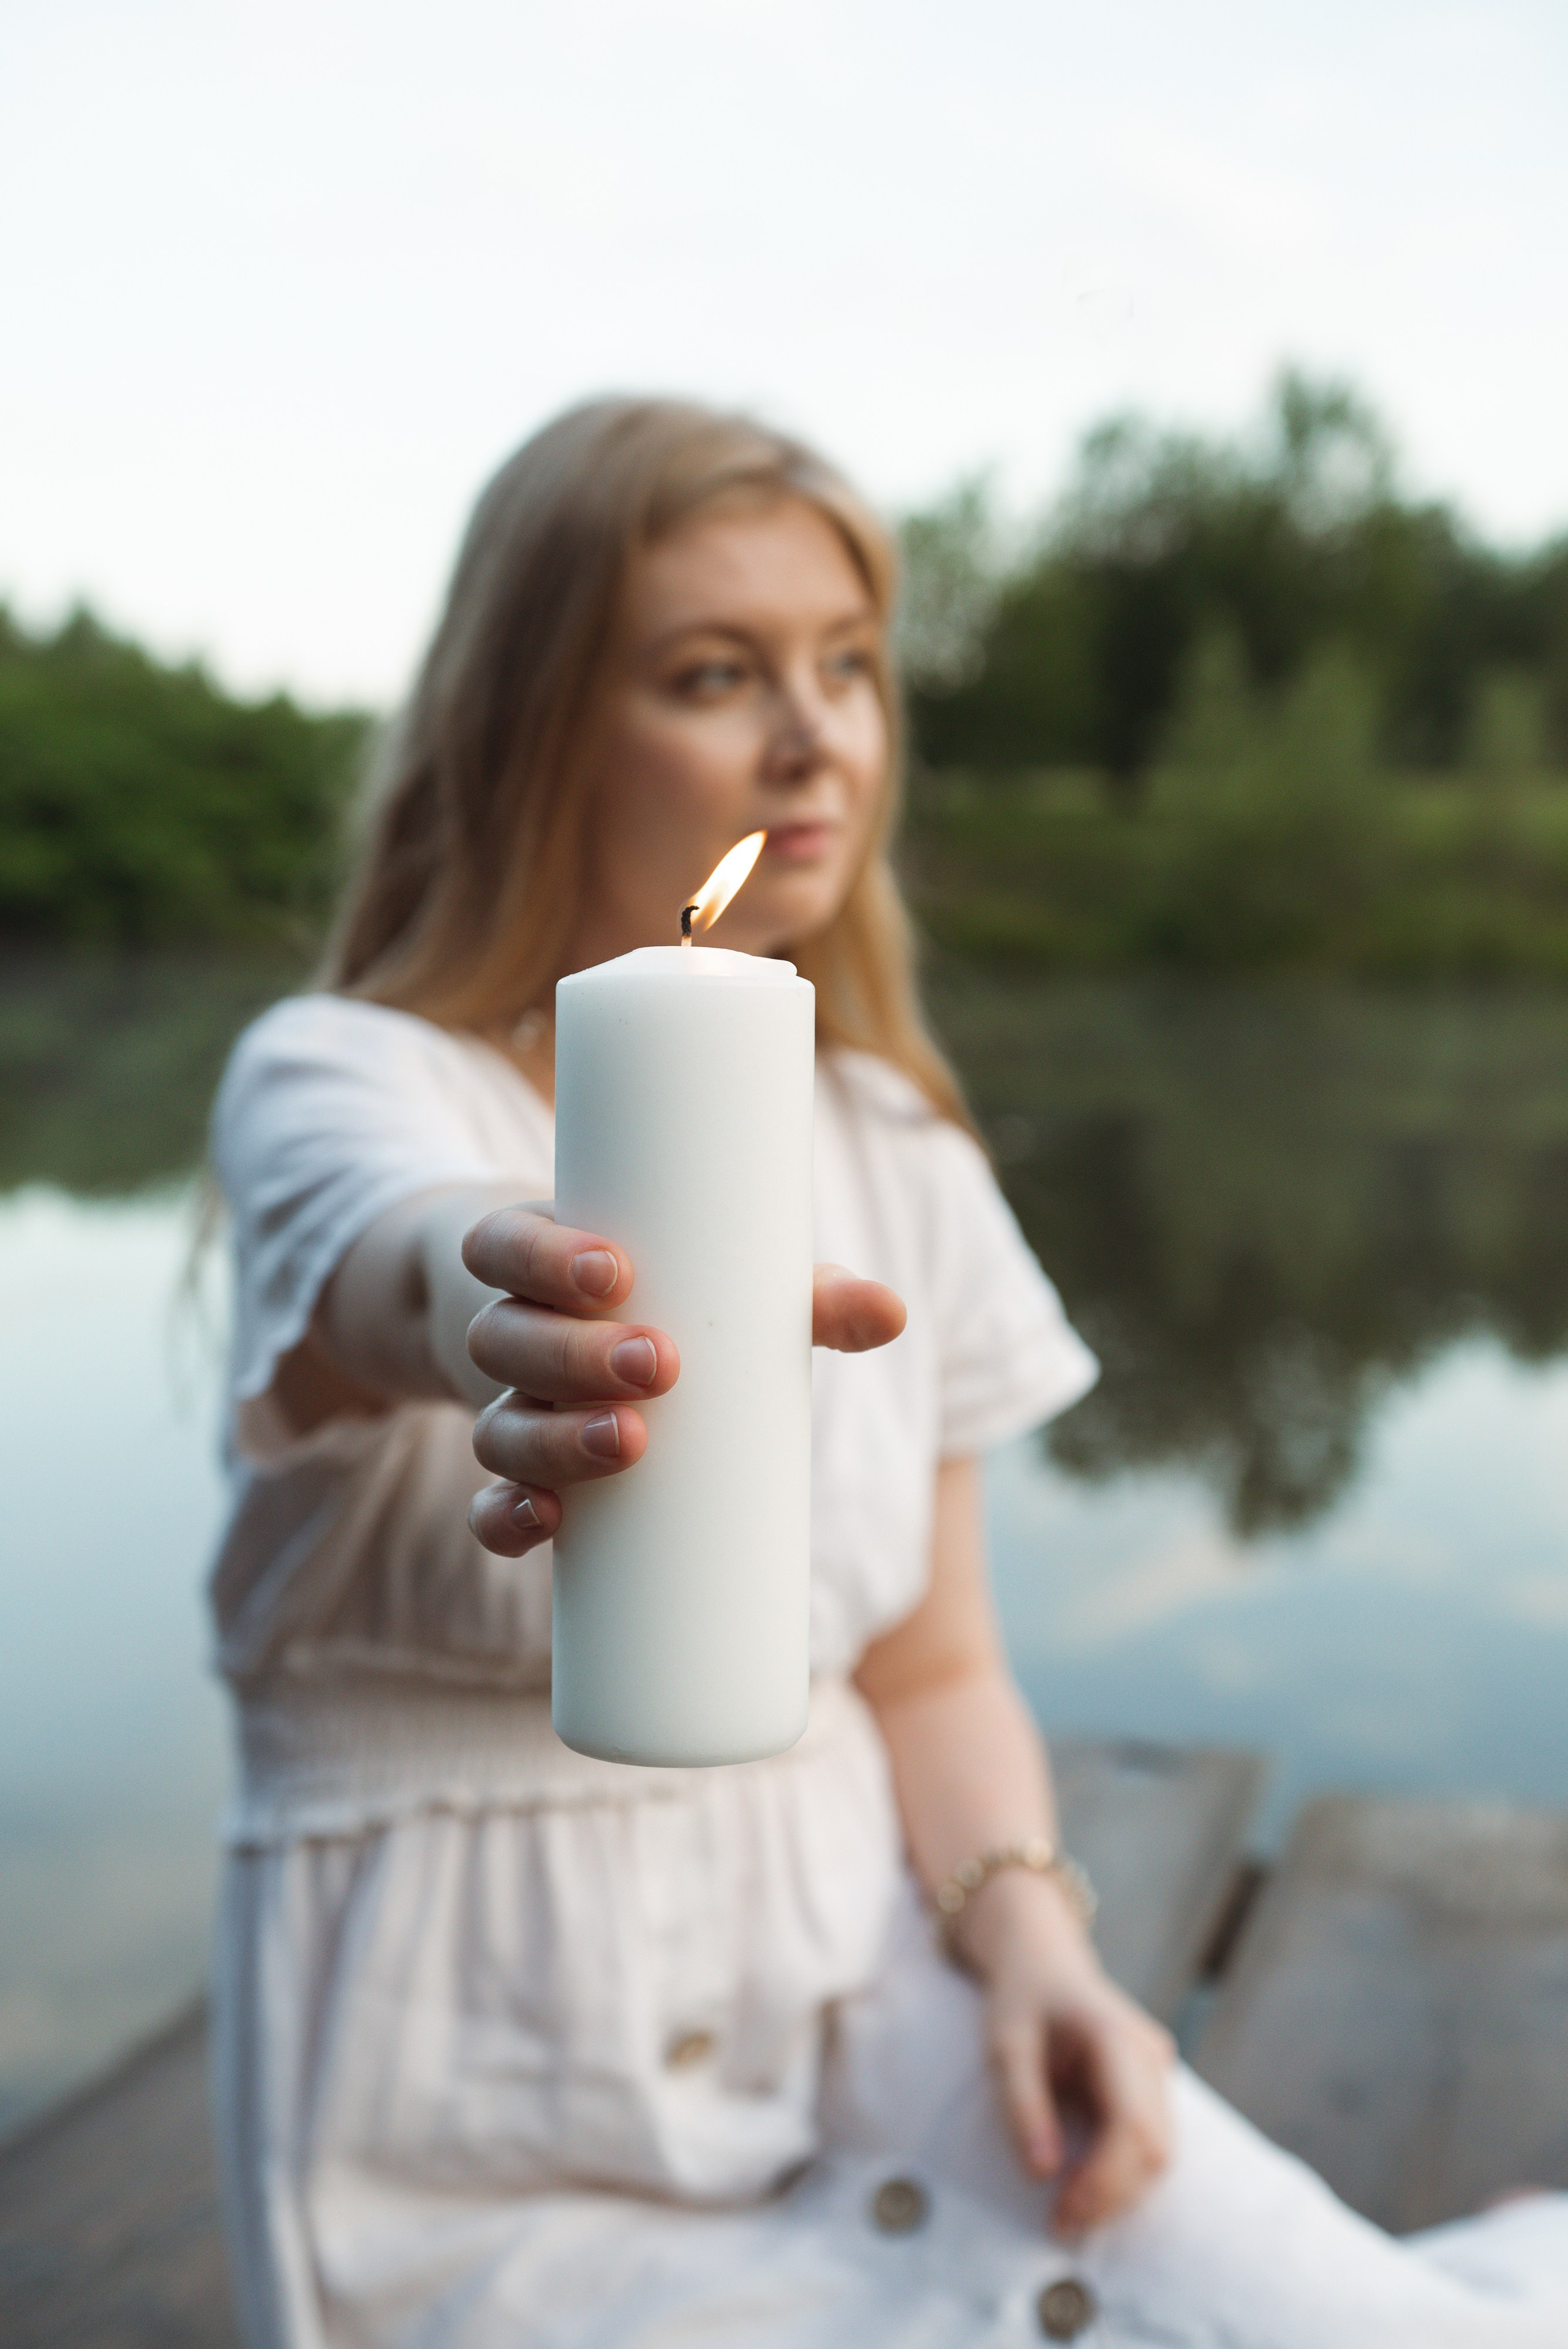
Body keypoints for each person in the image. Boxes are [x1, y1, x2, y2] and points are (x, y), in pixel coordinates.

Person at [207, 398, 1568, 2348]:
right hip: (478, 2105)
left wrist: (1036, 1947)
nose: (815, 731)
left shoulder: (900, 1150)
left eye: (848, 664)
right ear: (530, 723)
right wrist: (505, 1307)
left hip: (869, 1983)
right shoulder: (346, 1071)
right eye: (714, 672)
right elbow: (388, 1258)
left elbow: (929, 1664)